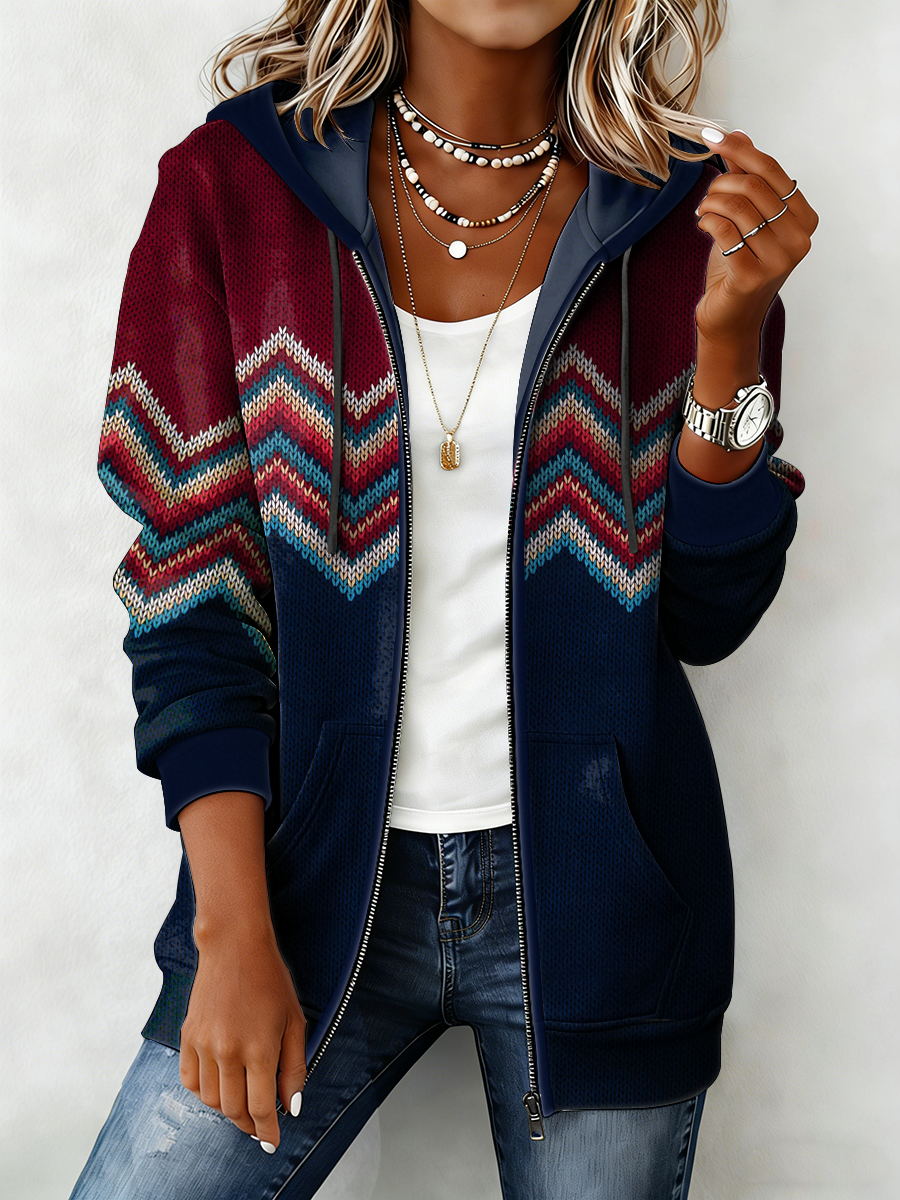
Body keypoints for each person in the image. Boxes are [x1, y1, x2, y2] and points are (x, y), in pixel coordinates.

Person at [69, 1, 817, 1196]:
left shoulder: (691, 215)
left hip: (603, 906)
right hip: (300, 890)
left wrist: (728, 343)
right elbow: (194, 593)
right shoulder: (233, 188)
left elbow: (706, 615)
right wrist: (230, 927)